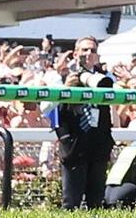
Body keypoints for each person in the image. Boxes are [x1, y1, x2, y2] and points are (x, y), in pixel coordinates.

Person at [49, 59, 116, 208]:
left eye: (92, 50)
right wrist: (66, 90)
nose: (88, 54)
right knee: (71, 202)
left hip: (98, 148)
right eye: (84, 50)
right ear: (76, 53)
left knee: (96, 201)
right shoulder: (59, 79)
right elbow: (51, 113)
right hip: (73, 150)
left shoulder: (103, 78)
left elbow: (107, 115)